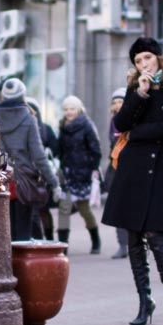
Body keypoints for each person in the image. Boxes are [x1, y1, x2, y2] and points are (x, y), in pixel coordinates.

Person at [101, 36, 163, 325]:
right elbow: (121, 124)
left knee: (157, 237)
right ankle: (144, 302)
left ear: (159, 59)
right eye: (138, 61)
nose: (143, 64)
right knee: (134, 239)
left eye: (147, 58)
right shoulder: (135, 89)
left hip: (159, 172)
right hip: (132, 171)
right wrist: (140, 93)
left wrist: (137, 134)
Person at [0, 78, 60, 241]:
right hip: (23, 181)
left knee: (2, 232)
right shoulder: (29, 119)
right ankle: (20, 265)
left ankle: (5, 265)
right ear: (22, 96)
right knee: (23, 231)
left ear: (3, 97)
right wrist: (54, 183)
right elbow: (39, 156)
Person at [56, 95, 103, 254]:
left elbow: (96, 150)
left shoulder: (87, 125)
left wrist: (92, 169)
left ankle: (95, 240)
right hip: (68, 173)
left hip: (83, 173)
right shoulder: (63, 126)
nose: (69, 112)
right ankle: (63, 245)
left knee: (84, 209)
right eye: (66, 109)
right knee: (64, 207)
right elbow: (60, 150)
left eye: (72, 109)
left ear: (79, 109)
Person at [26, 99, 59, 241]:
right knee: (32, 211)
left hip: (42, 175)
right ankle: (36, 239)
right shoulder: (23, 127)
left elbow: (55, 150)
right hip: (28, 175)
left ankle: (49, 237)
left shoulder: (46, 129)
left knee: (43, 209)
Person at [104, 88, 129, 259]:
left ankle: (139, 244)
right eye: (115, 103)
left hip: (131, 168)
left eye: (121, 102)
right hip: (116, 167)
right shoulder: (113, 121)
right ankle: (123, 245)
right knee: (119, 208)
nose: (117, 105)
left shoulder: (132, 119)